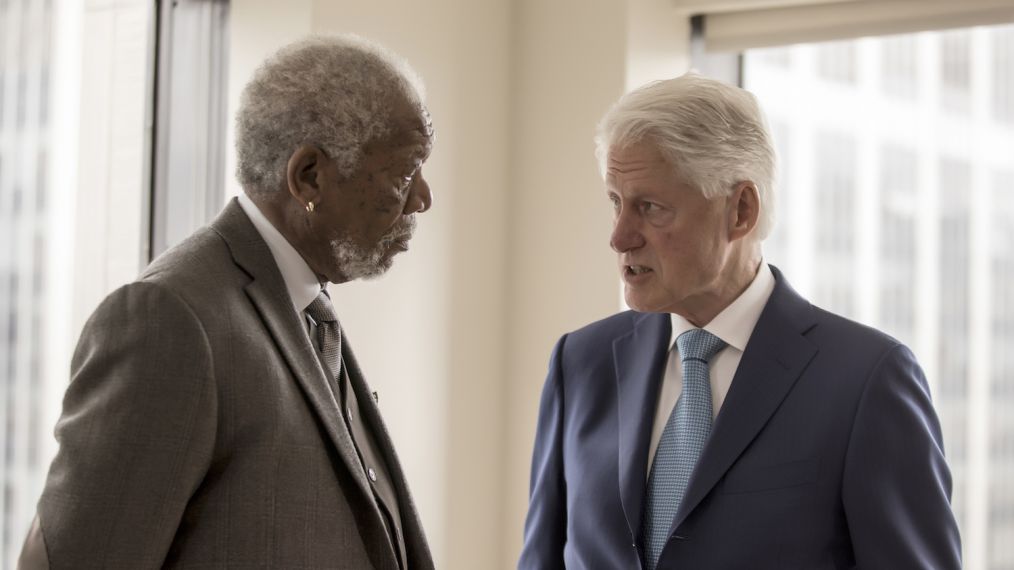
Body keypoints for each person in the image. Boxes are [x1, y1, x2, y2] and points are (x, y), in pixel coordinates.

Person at [19, 35, 435, 570]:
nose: (423, 198)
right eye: (405, 175)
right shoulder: (168, 322)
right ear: (308, 175)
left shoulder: (307, 310)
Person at [518, 73, 961, 569]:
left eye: (651, 208)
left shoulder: (867, 381)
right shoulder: (579, 363)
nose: (620, 237)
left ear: (741, 210)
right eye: (616, 203)